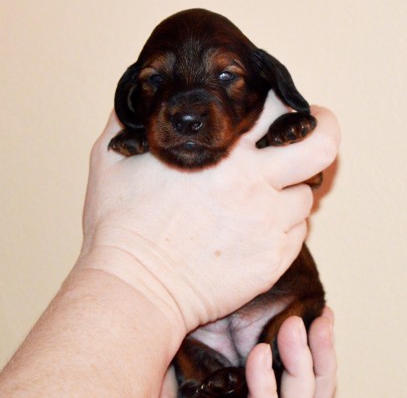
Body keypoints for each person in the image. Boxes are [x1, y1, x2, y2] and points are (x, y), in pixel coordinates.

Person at [0, 96, 340, 397]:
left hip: (278, 317)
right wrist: (138, 272)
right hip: (195, 352)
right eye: (156, 80)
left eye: (226, 77)